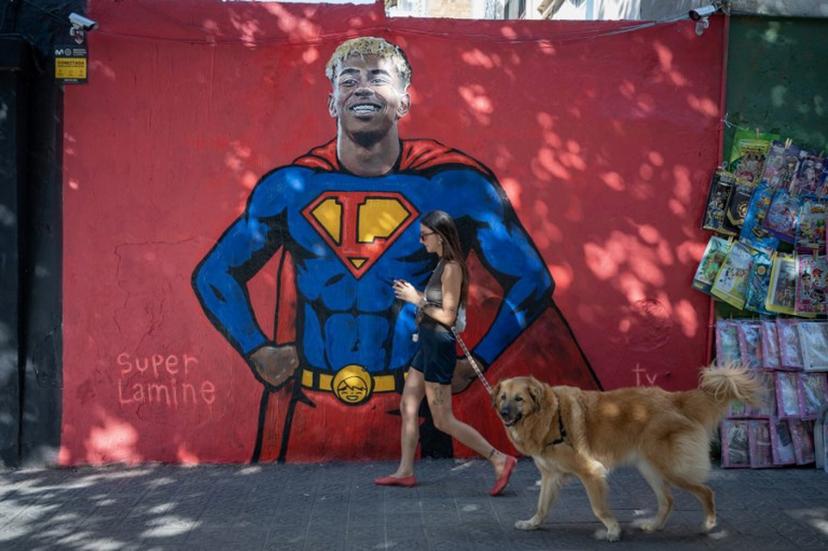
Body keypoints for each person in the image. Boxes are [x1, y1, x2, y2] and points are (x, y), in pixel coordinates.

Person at [192, 36, 599, 463]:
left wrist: (477, 359)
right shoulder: (288, 190)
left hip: (412, 407)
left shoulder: (454, 189)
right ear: (332, 102)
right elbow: (215, 274)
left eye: (377, 78)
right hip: (310, 405)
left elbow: (531, 280)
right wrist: (256, 348)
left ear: (404, 101)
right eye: (348, 79)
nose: (362, 87)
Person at [374, 210, 517, 494]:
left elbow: (449, 317)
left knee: (442, 419)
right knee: (408, 405)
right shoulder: (441, 265)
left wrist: (417, 300)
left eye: (424, 235)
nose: (420, 240)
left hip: (439, 345)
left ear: (440, 236)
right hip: (427, 345)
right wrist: (418, 301)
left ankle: (500, 459)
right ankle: (405, 471)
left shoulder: (452, 268)